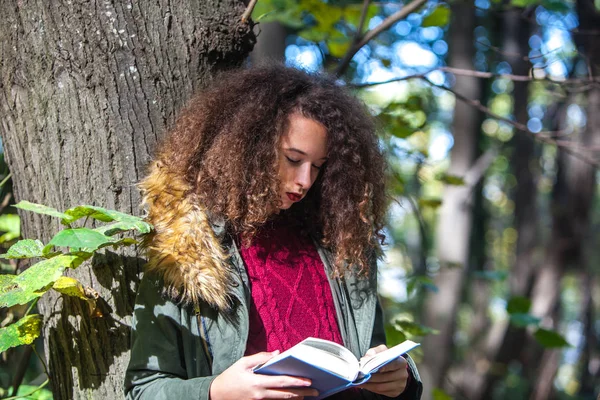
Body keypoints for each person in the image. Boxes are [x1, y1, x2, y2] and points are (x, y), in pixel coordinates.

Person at [124, 64, 423, 400]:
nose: (305, 181)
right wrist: (215, 392)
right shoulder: (189, 249)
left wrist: (403, 383)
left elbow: (370, 365)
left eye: (319, 166)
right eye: (293, 159)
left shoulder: (341, 248)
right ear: (249, 145)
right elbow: (143, 390)